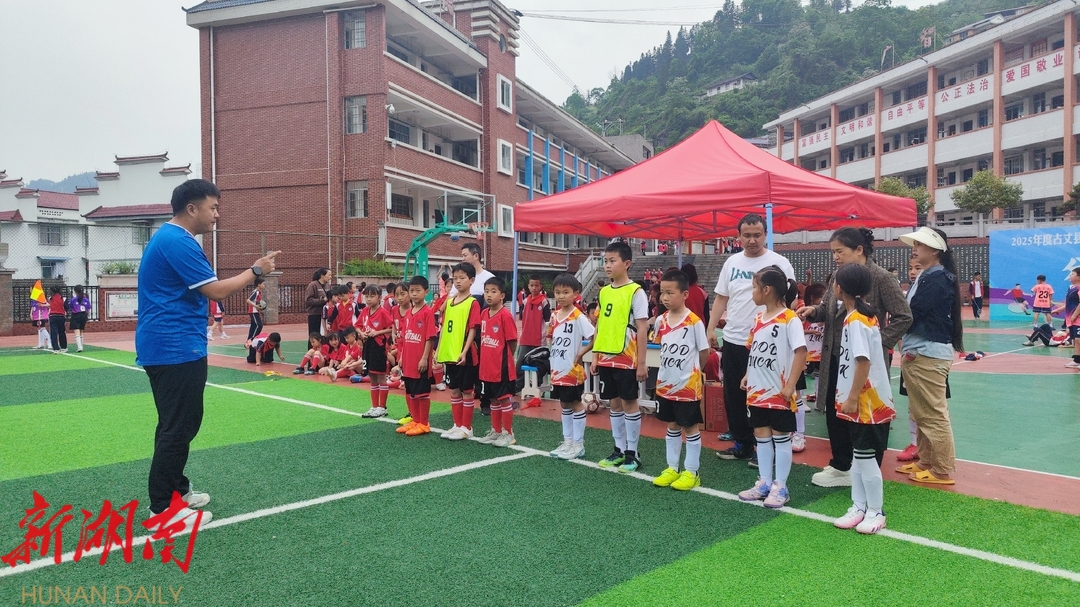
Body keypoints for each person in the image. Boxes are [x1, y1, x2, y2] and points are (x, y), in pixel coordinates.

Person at [136, 178, 278, 530]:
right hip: (174, 347)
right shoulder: (177, 241)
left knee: (179, 423)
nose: (217, 215)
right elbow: (215, 291)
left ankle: (176, 491)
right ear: (192, 208)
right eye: (213, 208)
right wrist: (256, 270)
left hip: (174, 345)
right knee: (177, 426)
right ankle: (162, 511)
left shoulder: (172, 239)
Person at [796, 227, 910, 488]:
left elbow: (904, 316)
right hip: (835, 357)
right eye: (833, 252)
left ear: (859, 250)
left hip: (862, 362)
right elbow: (827, 308)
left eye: (840, 251)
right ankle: (841, 463)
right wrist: (813, 311)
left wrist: (876, 343)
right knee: (835, 410)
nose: (835, 257)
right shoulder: (838, 276)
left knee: (863, 412)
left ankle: (863, 467)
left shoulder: (881, 277)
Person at [706, 214, 796, 466]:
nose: (752, 240)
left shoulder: (779, 263)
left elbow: (790, 299)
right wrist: (711, 328)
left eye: (757, 235)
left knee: (766, 396)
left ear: (766, 235)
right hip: (734, 339)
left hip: (767, 343)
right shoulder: (732, 262)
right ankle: (742, 444)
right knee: (734, 395)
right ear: (738, 237)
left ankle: (766, 448)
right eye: (747, 235)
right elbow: (721, 298)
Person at [830, 263, 895, 535]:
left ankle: (875, 511)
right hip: (862, 400)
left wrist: (853, 397)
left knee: (866, 458)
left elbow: (863, 361)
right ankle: (859, 506)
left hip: (868, 402)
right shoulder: (859, 317)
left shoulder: (857, 320)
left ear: (839, 288)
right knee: (859, 456)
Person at [895, 227, 963, 485]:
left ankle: (942, 469)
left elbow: (913, 314)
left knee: (932, 414)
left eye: (920, 245)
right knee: (921, 412)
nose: (915, 249)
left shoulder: (937, 278)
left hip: (927, 353)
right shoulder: (928, 276)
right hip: (920, 351)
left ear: (935, 250)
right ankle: (926, 460)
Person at [574, 241, 649, 472]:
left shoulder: (636, 292)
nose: (607, 265)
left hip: (627, 357)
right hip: (606, 356)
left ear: (627, 263)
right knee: (613, 404)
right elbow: (600, 326)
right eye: (605, 261)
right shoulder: (604, 292)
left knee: (629, 403)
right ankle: (619, 449)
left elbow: (642, 328)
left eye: (612, 261)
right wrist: (596, 355)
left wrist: (642, 362)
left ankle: (633, 453)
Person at [737, 267, 806, 508]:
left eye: (754, 288)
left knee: (781, 437)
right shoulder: (758, 319)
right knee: (761, 435)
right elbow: (754, 349)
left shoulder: (790, 319)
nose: (752, 292)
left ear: (766, 290)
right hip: (757, 391)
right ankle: (764, 482)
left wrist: (790, 385)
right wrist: (748, 374)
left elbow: (801, 353)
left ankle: (781, 486)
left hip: (779, 392)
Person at [650, 269, 711, 491]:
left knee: (690, 427)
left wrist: (695, 372)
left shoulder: (694, 322)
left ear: (685, 294)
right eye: (662, 293)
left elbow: (704, 351)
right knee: (672, 425)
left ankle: (692, 472)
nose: (664, 297)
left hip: (688, 386)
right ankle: (672, 468)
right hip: (666, 384)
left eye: (670, 293)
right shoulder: (661, 320)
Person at [547, 274, 594, 460]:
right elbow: (550, 337)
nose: (561, 296)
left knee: (575, 404)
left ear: (576, 294)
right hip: (557, 370)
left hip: (572, 371)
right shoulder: (554, 316)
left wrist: (581, 354)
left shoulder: (578, 316)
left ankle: (578, 444)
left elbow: (594, 337)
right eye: (558, 292)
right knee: (564, 404)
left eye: (566, 292)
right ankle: (567, 442)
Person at [436, 263, 482, 440]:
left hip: (465, 354)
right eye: (455, 278)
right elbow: (443, 328)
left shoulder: (473, 303)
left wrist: (464, 351)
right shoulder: (449, 302)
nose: (458, 281)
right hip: (450, 353)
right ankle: (457, 424)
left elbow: (473, 329)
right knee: (454, 390)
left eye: (462, 278)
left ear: (471, 280)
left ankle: (467, 428)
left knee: (467, 391)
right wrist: (438, 350)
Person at [476, 277, 520, 447]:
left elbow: (512, 341)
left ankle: (508, 433)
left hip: (501, 367)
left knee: (503, 399)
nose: (489, 295)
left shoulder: (505, 315)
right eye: (487, 291)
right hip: (486, 367)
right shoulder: (483, 314)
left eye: (493, 291)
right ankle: (496, 431)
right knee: (493, 400)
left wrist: (507, 357)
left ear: (502, 295)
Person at [395, 276, 437, 437]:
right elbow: (406, 337)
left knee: (422, 393)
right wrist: (402, 357)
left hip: (420, 361)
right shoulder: (408, 313)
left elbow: (429, 338)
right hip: (408, 361)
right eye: (411, 290)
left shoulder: (427, 312)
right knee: (411, 392)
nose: (414, 294)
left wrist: (424, 358)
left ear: (426, 292)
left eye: (417, 290)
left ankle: (424, 424)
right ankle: (415, 420)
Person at [796, 282, 826, 450]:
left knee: (818, 372)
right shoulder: (802, 310)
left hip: (816, 350)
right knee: (805, 373)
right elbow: (800, 329)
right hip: (806, 350)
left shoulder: (818, 311)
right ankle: (803, 399)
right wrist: (811, 331)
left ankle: (819, 398)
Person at [358, 285, 394, 417]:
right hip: (367, 345)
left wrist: (377, 332)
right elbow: (357, 326)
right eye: (366, 296)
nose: (368, 299)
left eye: (372, 296)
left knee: (380, 376)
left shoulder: (383, 312)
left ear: (379, 297)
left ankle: (382, 407)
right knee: (372, 376)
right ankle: (374, 406)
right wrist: (362, 333)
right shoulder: (364, 311)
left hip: (379, 346)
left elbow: (391, 327)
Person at [516, 275, 551, 399]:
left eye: (536, 285)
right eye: (532, 285)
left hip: (539, 339)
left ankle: (537, 385)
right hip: (525, 337)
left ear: (540, 286)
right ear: (528, 286)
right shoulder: (525, 301)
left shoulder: (544, 301)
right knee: (520, 362)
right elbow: (522, 317)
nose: (534, 288)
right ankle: (518, 385)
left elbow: (547, 318)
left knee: (538, 363)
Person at [1055, 267, 1080, 368]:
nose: (1070, 276)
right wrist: (1060, 309)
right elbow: (1070, 303)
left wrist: (1074, 315)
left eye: (1072, 274)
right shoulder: (1071, 288)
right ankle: (1077, 361)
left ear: (1079, 277)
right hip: (1072, 319)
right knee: (1076, 340)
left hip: (1077, 317)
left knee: (1079, 340)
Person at [305, 268, 332, 336]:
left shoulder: (328, 286)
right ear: (322, 275)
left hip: (325, 315)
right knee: (315, 335)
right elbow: (308, 300)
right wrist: (322, 300)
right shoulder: (313, 285)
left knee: (325, 334)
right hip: (315, 314)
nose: (330, 277)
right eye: (329, 275)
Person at [68, 285, 91, 352]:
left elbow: (70, 307)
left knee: (76, 331)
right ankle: (81, 346)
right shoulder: (86, 299)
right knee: (81, 331)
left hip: (76, 315)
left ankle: (79, 347)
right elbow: (88, 308)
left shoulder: (74, 299)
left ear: (75, 291)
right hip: (84, 315)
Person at [48, 286, 68, 353]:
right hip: (61, 316)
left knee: (53, 333)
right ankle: (64, 347)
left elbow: (49, 306)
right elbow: (66, 308)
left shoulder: (50, 298)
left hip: (52, 316)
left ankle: (56, 348)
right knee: (62, 332)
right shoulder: (63, 298)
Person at [247, 277, 266, 343]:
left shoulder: (259, 292)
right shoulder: (255, 292)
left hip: (255, 311)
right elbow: (248, 300)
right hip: (253, 311)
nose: (264, 285)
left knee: (253, 326)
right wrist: (256, 306)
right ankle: (252, 340)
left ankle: (249, 341)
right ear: (259, 285)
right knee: (259, 325)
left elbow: (256, 302)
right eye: (263, 284)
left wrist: (260, 308)